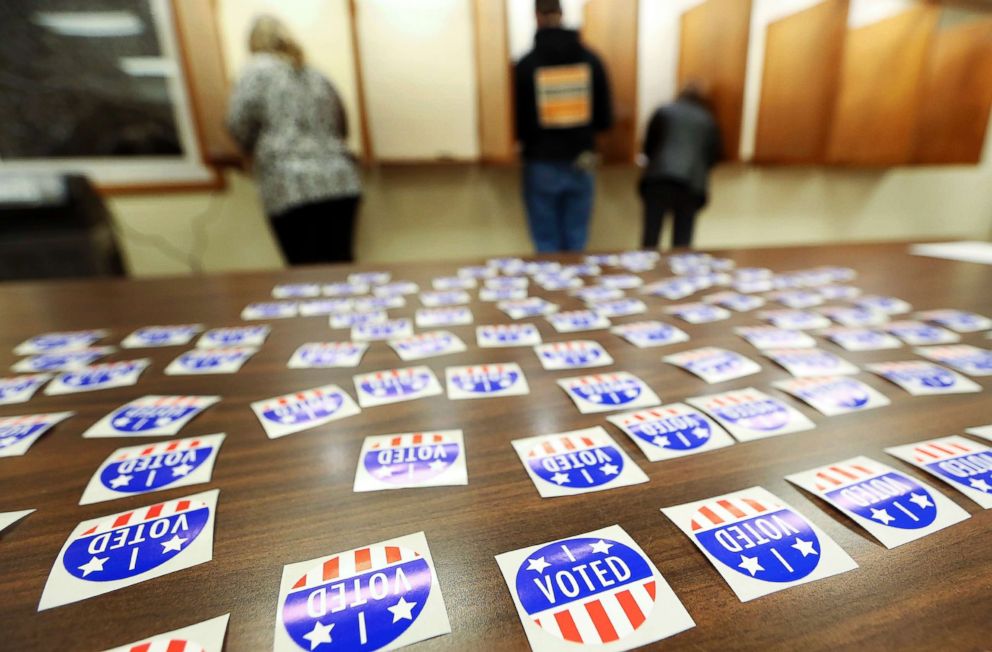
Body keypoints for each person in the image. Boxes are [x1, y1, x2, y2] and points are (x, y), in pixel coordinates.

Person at [227, 15, 361, 265]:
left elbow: (239, 125)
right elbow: (342, 125)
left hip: (289, 183)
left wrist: (249, 151)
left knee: (304, 270)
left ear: (254, 42)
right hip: (340, 179)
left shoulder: (254, 71)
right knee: (341, 266)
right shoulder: (315, 73)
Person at [514, 0, 613, 253]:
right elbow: (604, 119)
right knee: (576, 240)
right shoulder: (591, 60)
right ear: (563, 14)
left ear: (536, 16)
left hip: (541, 160)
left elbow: (518, 122)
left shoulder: (526, 65)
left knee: (545, 242)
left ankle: (549, 292)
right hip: (582, 158)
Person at [640, 82, 722, 250]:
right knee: (682, 243)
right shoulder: (707, 119)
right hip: (691, 183)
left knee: (650, 238)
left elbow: (649, 146)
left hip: (658, 179)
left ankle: (646, 274)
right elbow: (714, 155)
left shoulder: (663, 111)